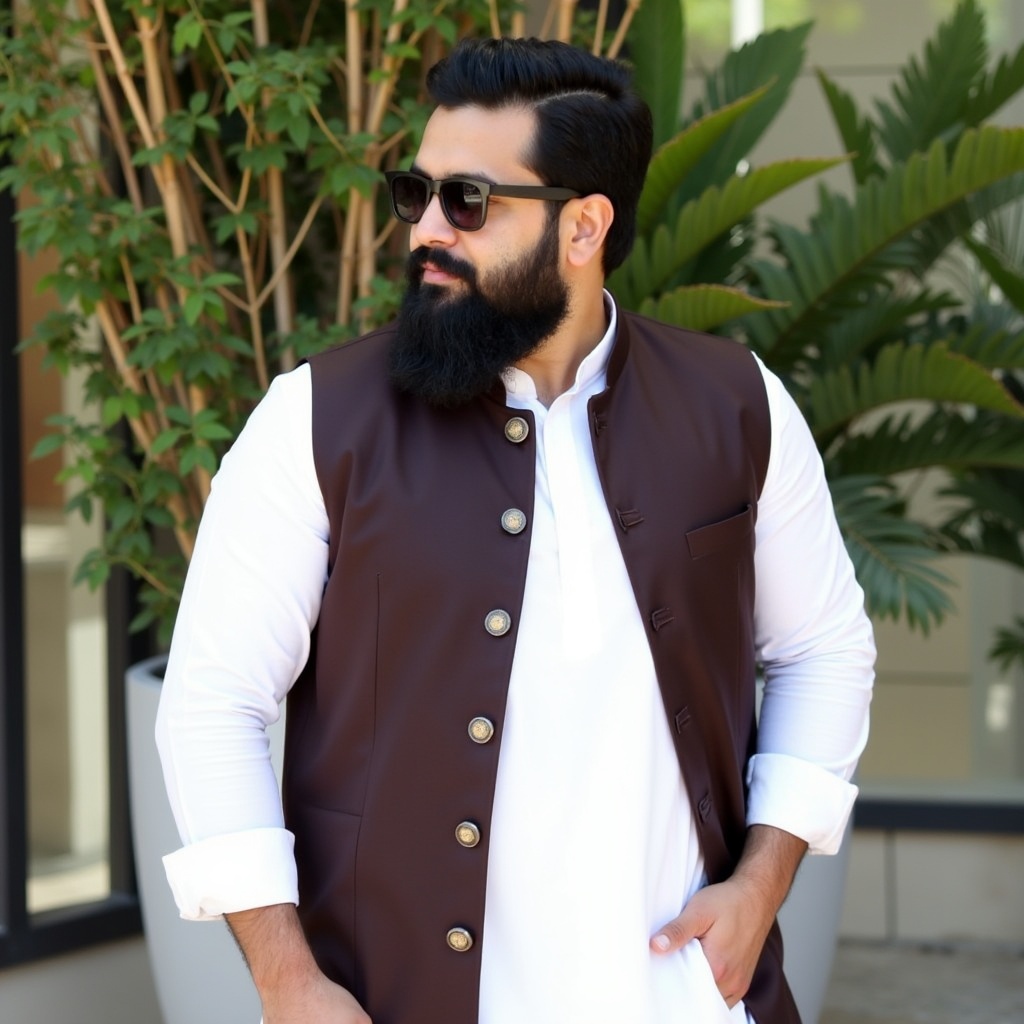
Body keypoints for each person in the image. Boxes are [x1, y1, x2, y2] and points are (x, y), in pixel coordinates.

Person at [156, 36, 874, 1024]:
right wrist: (287, 978)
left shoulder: (736, 407)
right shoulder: (317, 419)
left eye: (469, 202)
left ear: (583, 227)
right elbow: (212, 701)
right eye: (417, 194)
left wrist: (761, 884)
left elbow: (824, 648)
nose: (425, 231)